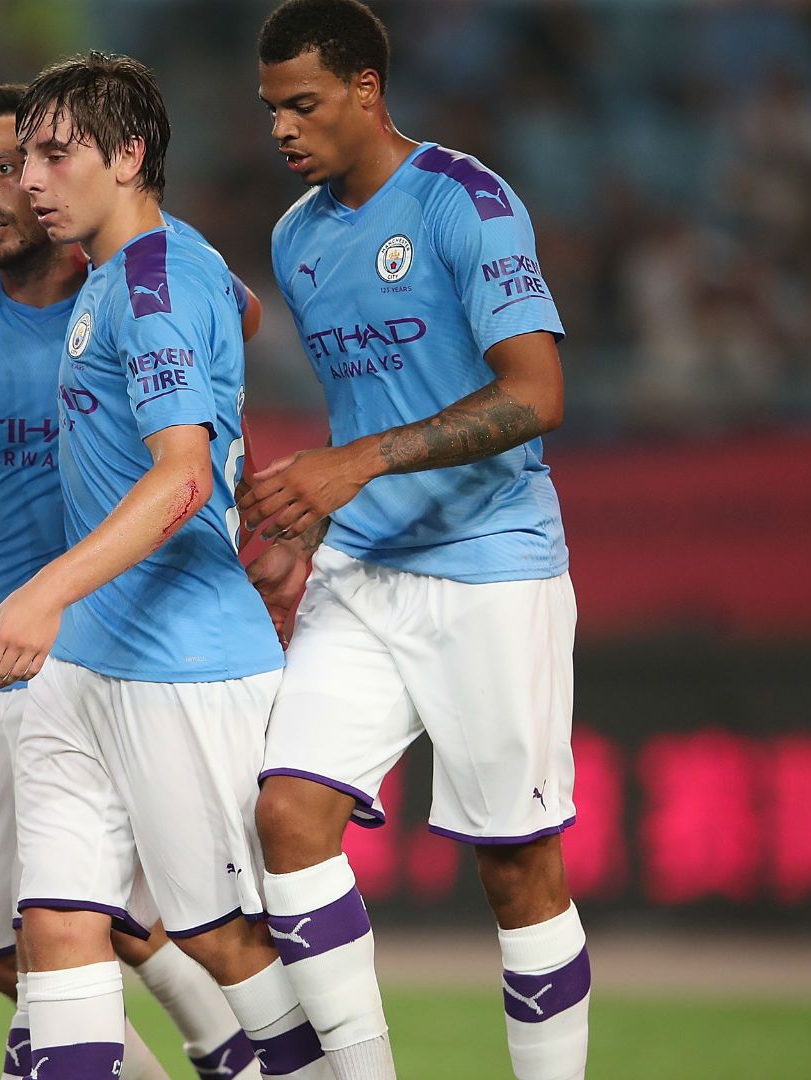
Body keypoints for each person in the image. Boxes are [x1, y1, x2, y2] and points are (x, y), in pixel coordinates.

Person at [242, 3, 586, 1079]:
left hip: (490, 567)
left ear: (365, 91)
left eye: (304, 104)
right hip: (364, 572)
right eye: (271, 111)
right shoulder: (296, 239)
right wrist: (314, 525)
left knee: (516, 871)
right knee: (287, 818)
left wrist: (357, 465)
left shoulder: (465, 203)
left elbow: (537, 394)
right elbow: (368, 402)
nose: (284, 130)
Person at [0, 52, 329, 1079]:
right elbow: (241, 324)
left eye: (54, 153)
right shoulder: (145, 270)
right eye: (23, 156)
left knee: (222, 939)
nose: (30, 179)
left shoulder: (151, 285)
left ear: (128, 157)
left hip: (183, 664)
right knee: (58, 930)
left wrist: (43, 591)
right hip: (85, 664)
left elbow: (178, 478)